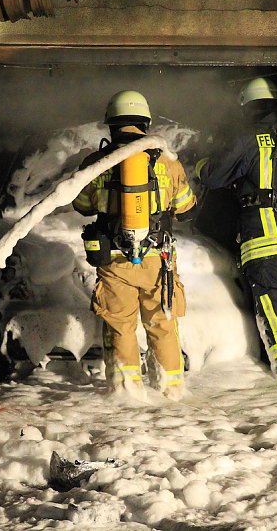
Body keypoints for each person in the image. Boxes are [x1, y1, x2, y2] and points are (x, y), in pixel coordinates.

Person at [72, 90, 197, 401]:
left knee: (121, 326)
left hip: (114, 258)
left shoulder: (96, 162)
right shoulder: (167, 161)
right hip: (158, 258)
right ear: (145, 122)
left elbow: (81, 205)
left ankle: (127, 392)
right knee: (162, 322)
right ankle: (172, 390)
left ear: (111, 124)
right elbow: (186, 208)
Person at [195, 77, 277, 385]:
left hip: (264, 240)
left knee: (273, 305)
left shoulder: (249, 135)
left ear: (247, 107)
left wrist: (200, 162)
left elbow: (213, 175)